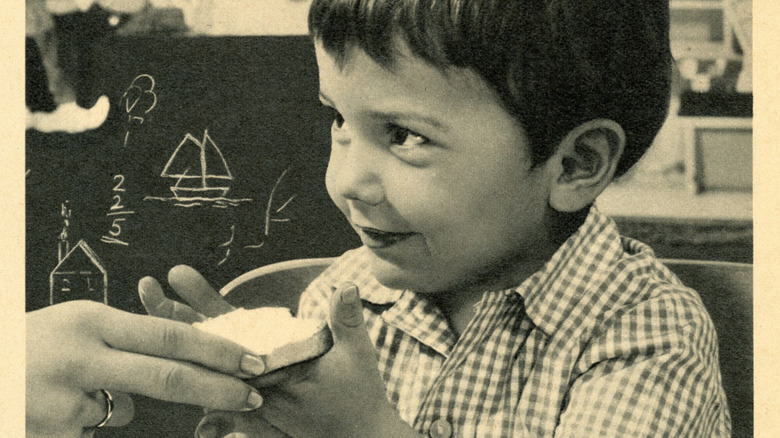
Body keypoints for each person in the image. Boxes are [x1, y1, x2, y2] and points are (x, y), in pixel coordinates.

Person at [27, 0, 732, 437]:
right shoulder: (343, 297)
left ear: (575, 164)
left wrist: (360, 431)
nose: (346, 183)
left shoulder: (646, 337)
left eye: (403, 135)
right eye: (338, 120)